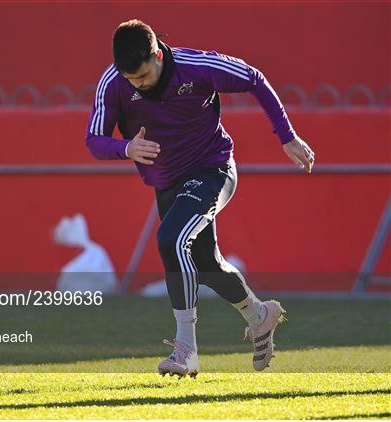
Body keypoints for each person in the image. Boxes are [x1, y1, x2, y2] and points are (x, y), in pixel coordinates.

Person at [85, 19, 315, 378]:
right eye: (132, 81)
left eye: (144, 76)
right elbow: (94, 139)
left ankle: (186, 351)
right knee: (206, 265)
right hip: (167, 182)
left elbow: (254, 77)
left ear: (157, 55)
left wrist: (287, 136)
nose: (139, 86)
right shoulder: (112, 83)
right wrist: (125, 147)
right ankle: (260, 316)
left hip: (213, 169)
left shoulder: (198, 67)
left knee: (171, 239)